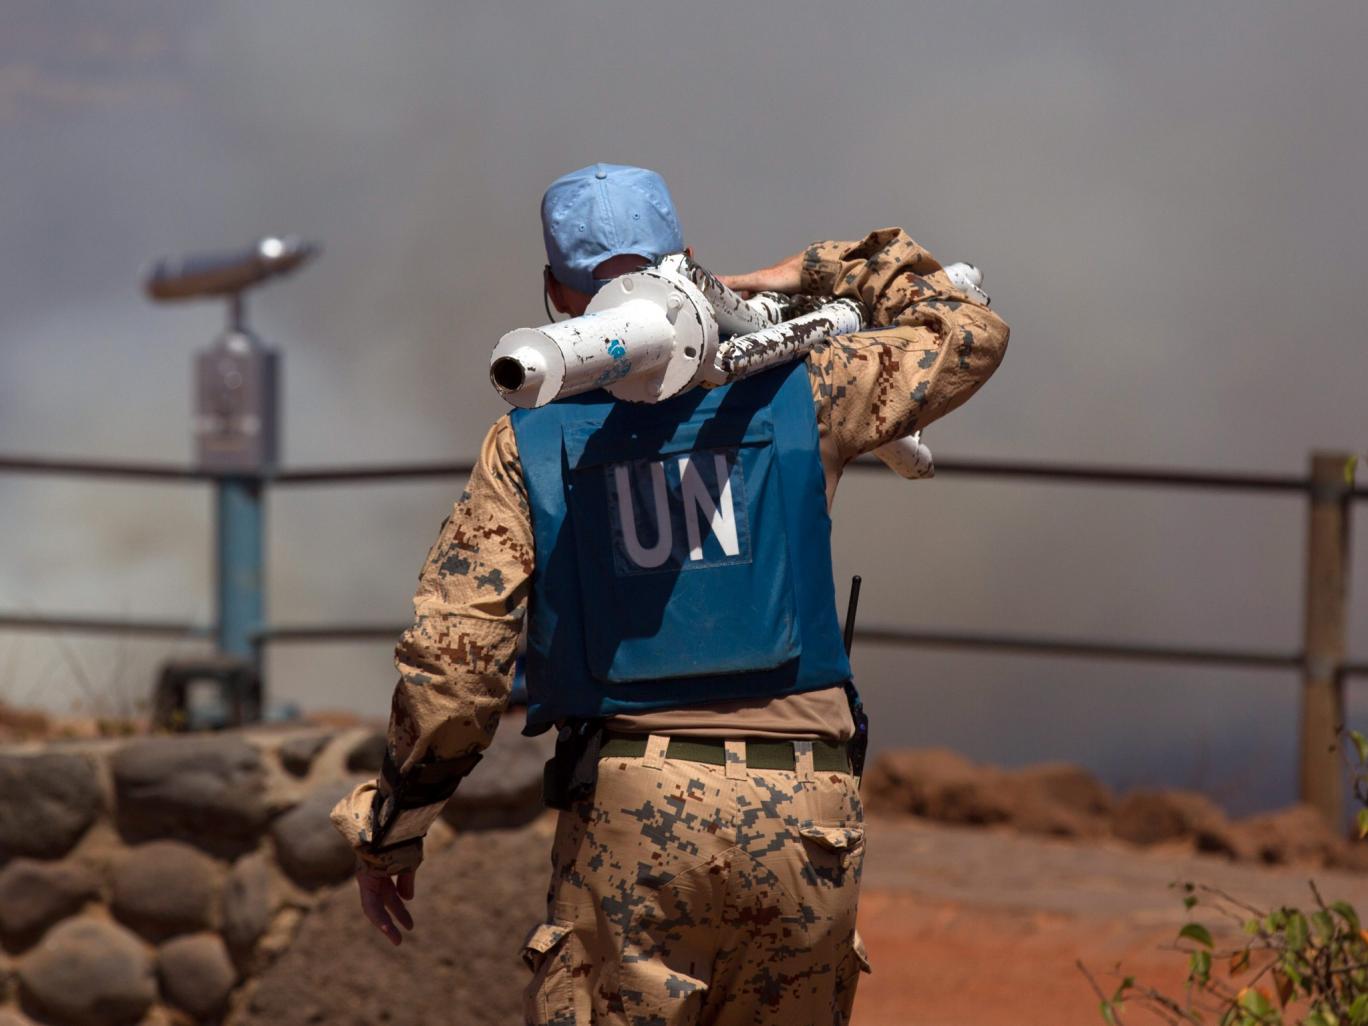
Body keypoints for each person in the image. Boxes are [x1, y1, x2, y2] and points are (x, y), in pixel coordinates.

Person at [331, 162, 1010, 1025]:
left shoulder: (527, 441)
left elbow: (455, 675)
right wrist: (793, 276)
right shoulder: (809, 387)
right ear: (687, 263)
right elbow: (968, 329)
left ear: (554, 294)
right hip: (810, 817)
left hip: (631, 815)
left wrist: (394, 826)